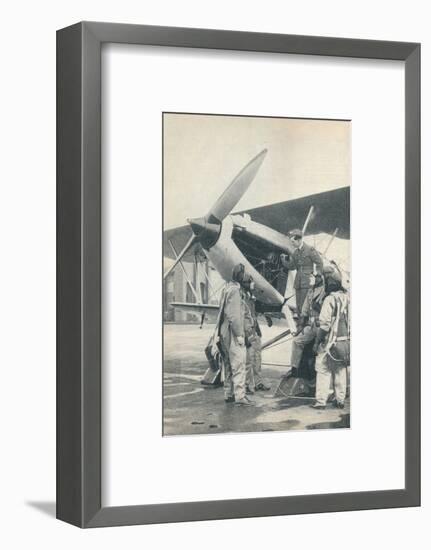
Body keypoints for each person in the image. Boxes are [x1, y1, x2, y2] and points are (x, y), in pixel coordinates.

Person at [311, 269, 350, 409]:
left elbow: (325, 325)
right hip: (344, 342)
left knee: (323, 369)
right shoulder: (347, 297)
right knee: (340, 370)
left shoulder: (330, 299)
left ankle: (320, 402)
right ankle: (340, 400)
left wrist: (316, 343)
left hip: (329, 343)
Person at [217, 263, 252, 406]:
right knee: (238, 364)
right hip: (232, 333)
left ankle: (229, 393)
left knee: (228, 365)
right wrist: (239, 334)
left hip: (224, 333)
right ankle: (240, 396)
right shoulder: (235, 291)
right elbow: (234, 316)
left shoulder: (227, 289)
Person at [280, 229, 323, 314]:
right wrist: (283, 260)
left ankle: (304, 324)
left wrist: (317, 275)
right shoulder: (295, 253)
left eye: (293, 241)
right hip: (298, 281)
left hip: (307, 281)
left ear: (299, 240)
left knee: (305, 306)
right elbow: (292, 266)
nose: (292, 243)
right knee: (299, 306)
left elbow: (319, 262)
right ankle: (300, 325)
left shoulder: (310, 250)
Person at [241, 274, 270, 394]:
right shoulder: (242, 298)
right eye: (251, 282)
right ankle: (248, 385)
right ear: (246, 284)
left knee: (257, 357)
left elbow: (255, 311)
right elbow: (243, 317)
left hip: (255, 331)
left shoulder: (251, 297)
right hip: (249, 332)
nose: (253, 284)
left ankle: (258, 382)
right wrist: (247, 335)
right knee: (249, 360)